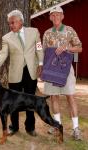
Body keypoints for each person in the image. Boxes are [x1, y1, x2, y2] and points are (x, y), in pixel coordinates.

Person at [0, 10, 43, 136]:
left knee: (31, 100)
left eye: (12, 23)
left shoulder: (34, 32)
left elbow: (39, 48)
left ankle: (30, 127)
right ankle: (14, 126)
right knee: (12, 102)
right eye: (9, 24)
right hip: (15, 73)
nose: (11, 25)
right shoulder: (6, 37)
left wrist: (41, 64)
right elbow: (4, 53)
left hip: (31, 70)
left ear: (20, 21)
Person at [42, 6, 82, 140]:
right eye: (53, 15)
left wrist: (67, 47)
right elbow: (44, 52)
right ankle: (57, 126)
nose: (55, 17)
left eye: (58, 15)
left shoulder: (70, 30)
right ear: (50, 18)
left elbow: (80, 47)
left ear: (63, 16)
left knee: (70, 96)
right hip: (51, 69)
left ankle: (76, 129)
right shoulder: (47, 33)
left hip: (66, 69)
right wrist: (42, 69)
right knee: (54, 97)